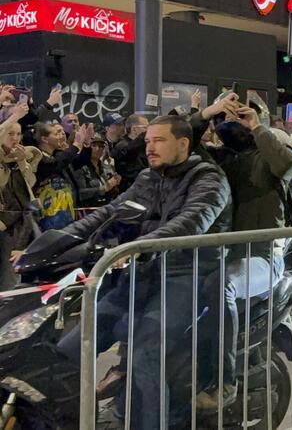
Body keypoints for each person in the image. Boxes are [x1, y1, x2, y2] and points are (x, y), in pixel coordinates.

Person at [57, 115, 232, 430]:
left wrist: (138, 247)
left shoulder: (209, 179)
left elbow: (192, 222)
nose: (149, 147)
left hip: (187, 275)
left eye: (159, 141)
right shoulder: (149, 178)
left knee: (145, 356)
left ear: (183, 143)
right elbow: (109, 213)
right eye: (148, 140)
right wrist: (54, 242)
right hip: (146, 273)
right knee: (70, 348)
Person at [190, 93, 292, 409]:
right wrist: (205, 114)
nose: (230, 121)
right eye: (224, 116)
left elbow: (288, 165)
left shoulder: (267, 158)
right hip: (220, 256)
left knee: (221, 285)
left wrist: (256, 126)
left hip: (262, 257)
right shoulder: (220, 161)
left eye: (238, 115)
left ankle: (224, 382)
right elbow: (183, 145)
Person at [0, 105, 41, 289]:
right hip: (4, 221)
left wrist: (22, 161)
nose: (15, 138)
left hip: (19, 223)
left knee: (13, 276)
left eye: (18, 134)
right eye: (10, 133)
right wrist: (13, 117)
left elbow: (30, 184)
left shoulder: (22, 155)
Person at [111, 113, 149, 190]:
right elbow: (129, 151)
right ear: (134, 129)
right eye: (145, 127)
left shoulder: (143, 145)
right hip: (130, 190)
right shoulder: (122, 146)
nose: (148, 130)